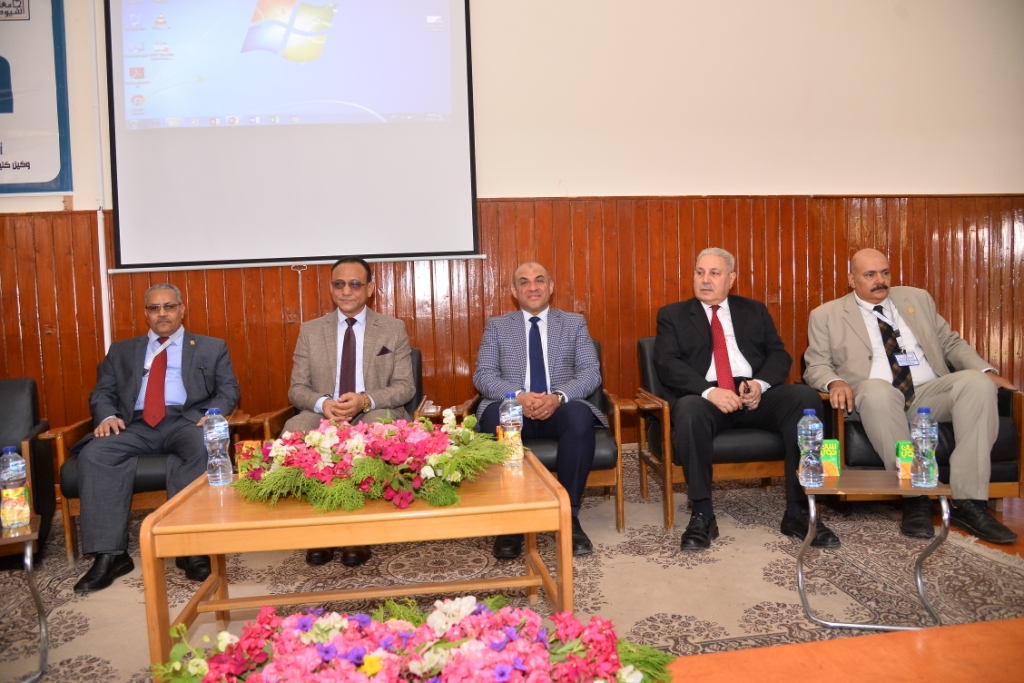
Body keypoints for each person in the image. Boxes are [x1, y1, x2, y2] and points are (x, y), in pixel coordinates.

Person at [804, 248, 1018, 544]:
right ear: (852, 280)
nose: (880, 281)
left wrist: (985, 370)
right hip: (874, 397)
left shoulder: (917, 299)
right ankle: (915, 497)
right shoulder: (826, 315)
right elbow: (816, 365)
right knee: (877, 390)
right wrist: (835, 381)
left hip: (928, 393)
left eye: (885, 273)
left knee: (977, 384)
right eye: (870, 275)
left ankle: (968, 502)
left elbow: (950, 342)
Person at [654, 248, 838, 551]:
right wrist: (710, 392)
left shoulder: (753, 310)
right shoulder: (673, 315)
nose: (705, 280)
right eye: (700, 272)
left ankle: (799, 511)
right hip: (706, 397)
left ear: (731, 279)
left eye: (714, 273)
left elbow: (778, 354)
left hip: (753, 394)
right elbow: (667, 363)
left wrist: (760, 384)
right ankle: (702, 513)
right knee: (688, 409)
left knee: (804, 398)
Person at [73, 283, 240, 593]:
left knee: (202, 446)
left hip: (185, 420)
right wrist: (107, 416)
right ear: (146, 314)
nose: (162, 313)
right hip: (133, 424)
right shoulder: (122, 350)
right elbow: (102, 392)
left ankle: (191, 547)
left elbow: (228, 389)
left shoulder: (210, 347)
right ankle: (110, 555)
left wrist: (212, 413)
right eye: (154, 308)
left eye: (169, 306)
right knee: (95, 454)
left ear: (181, 310)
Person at [286, 256, 416, 567]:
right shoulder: (310, 331)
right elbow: (297, 388)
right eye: (339, 284)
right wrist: (323, 404)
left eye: (355, 284)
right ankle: (319, 531)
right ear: (331, 288)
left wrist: (365, 400)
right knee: (294, 430)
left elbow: (405, 387)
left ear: (370, 289)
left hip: (373, 408)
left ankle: (357, 534)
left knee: (373, 428)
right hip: (324, 410)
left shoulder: (392, 329)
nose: (346, 291)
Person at [474, 262, 607, 558]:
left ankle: (568, 515)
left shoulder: (574, 323)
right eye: (524, 282)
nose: (532, 287)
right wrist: (518, 397)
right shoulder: (497, 326)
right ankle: (512, 521)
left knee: (579, 415)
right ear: (514, 291)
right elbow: (484, 375)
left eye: (539, 280)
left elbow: (590, 372)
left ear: (550, 287)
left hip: (557, 408)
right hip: (513, 407)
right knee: (496, 416)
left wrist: (558, 397)